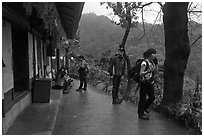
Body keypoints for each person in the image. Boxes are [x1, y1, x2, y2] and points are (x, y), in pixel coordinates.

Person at [138, 48, 158, 120]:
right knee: (142, 98)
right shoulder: (144, 63)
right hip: (144, 82)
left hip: (150, 82)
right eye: (153, 54)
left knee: (152, 97)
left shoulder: (152, 62)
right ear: (150, 54)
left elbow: (155, 71)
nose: (154, 56)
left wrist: (156, 64)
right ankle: (141, 114)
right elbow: (141, 74)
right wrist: (148, 71)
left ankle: (144, 108)